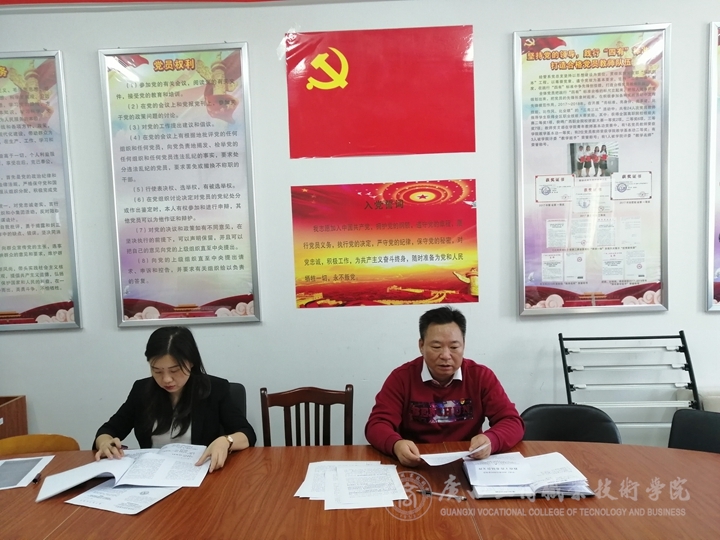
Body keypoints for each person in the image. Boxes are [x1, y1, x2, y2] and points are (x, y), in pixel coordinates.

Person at [365, 307, 524, 467]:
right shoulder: (402, 378)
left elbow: (512, 421)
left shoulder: (480, 377)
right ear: (421, 346)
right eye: (436, 347)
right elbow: (377, 424)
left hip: (468, 463)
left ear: (463, 346)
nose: (446, 355)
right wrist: (395, 445)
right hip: (417, 463)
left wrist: (492, 439)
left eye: (454, 347)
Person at [94, 326, 256, 472]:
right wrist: (105, 442)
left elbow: (247, 433)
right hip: (151, 475)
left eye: (174, 370)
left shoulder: (215, 389)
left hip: (200, 475)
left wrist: (226, 441)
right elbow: (108, 430)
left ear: (191, 362)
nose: (166, 379)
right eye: (157, 371)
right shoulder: (141, 390)